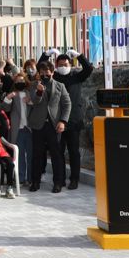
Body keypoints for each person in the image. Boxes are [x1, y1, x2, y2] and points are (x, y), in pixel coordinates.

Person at [42, 48, 93, 190]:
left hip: (74, 120)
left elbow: (89, 69)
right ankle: (59, 180)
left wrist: (79, 56)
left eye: (66, 64)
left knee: (73, 152)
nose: (63, 66)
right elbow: (42, 68)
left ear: (70, 64)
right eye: (60, 64)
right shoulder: (54, 78)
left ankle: (74, 179)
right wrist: (47, 55)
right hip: (57, 120)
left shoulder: (77, 76)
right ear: (56, 66)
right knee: (57, 152)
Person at [28, 61, 71, 194]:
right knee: (37, 154)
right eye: (42, 73)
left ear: (52, 72)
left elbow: (67, 104)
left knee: (56, 155)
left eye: (47, 73)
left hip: (54, 125)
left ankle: (58, 182)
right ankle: (35, 181)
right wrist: (39, 92)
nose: (45, 75)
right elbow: (34, 101)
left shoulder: (60, 85)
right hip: (38, 124)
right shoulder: (34, 85)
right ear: (39, 73)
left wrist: (63, 121)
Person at [1, 72, 32, 186]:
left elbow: (36, 105)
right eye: (18, 81)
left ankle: (30, 178)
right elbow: (5, 108)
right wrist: (8, 98)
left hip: (29, 128)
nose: (20, 83)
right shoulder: (12, 94)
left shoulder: (29, 93)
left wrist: (30, 101)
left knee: (30, 155)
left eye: (22, 81)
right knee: (19, 155)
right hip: (17, 129)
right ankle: (20, 178)